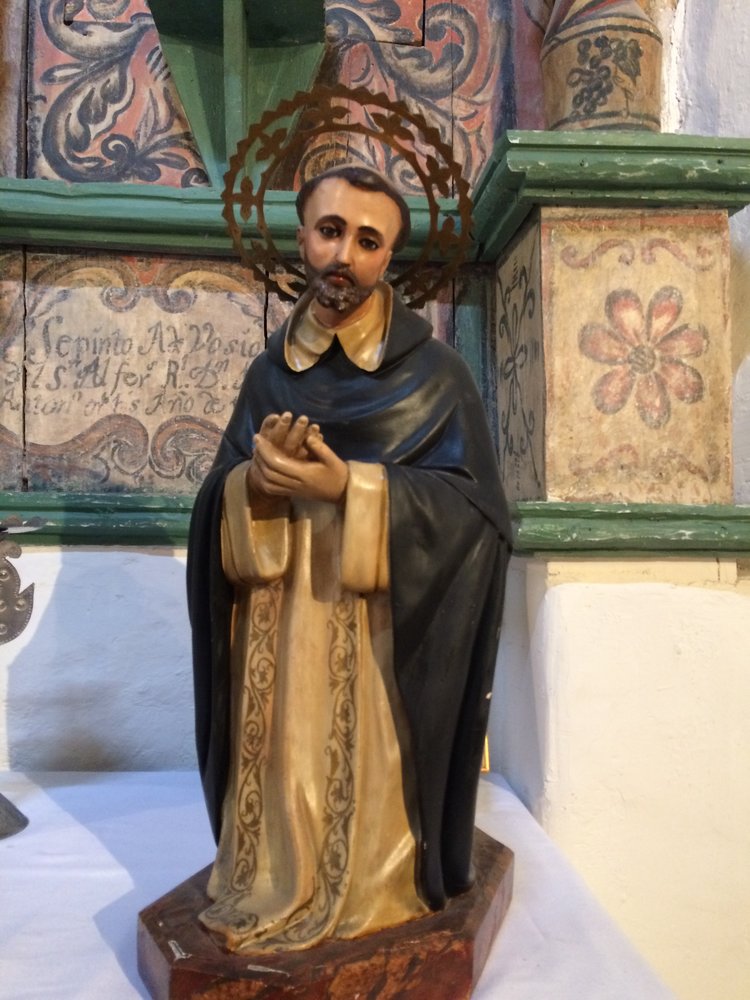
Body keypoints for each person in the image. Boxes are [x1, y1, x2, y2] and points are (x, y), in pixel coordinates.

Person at [187, 164, 511, 953]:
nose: (345, 256)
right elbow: (217, 496)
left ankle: (374, 880)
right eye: (331, 231)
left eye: (369, 241)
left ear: (389, 257)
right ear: (302, 236)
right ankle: (273, 875)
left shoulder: (436, 376)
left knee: (361, 786)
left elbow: (478, 515)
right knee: (285, 772)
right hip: (279, 635)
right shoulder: (269, 374)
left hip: (376, 644)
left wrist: (352, 490)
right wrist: (251, 485)